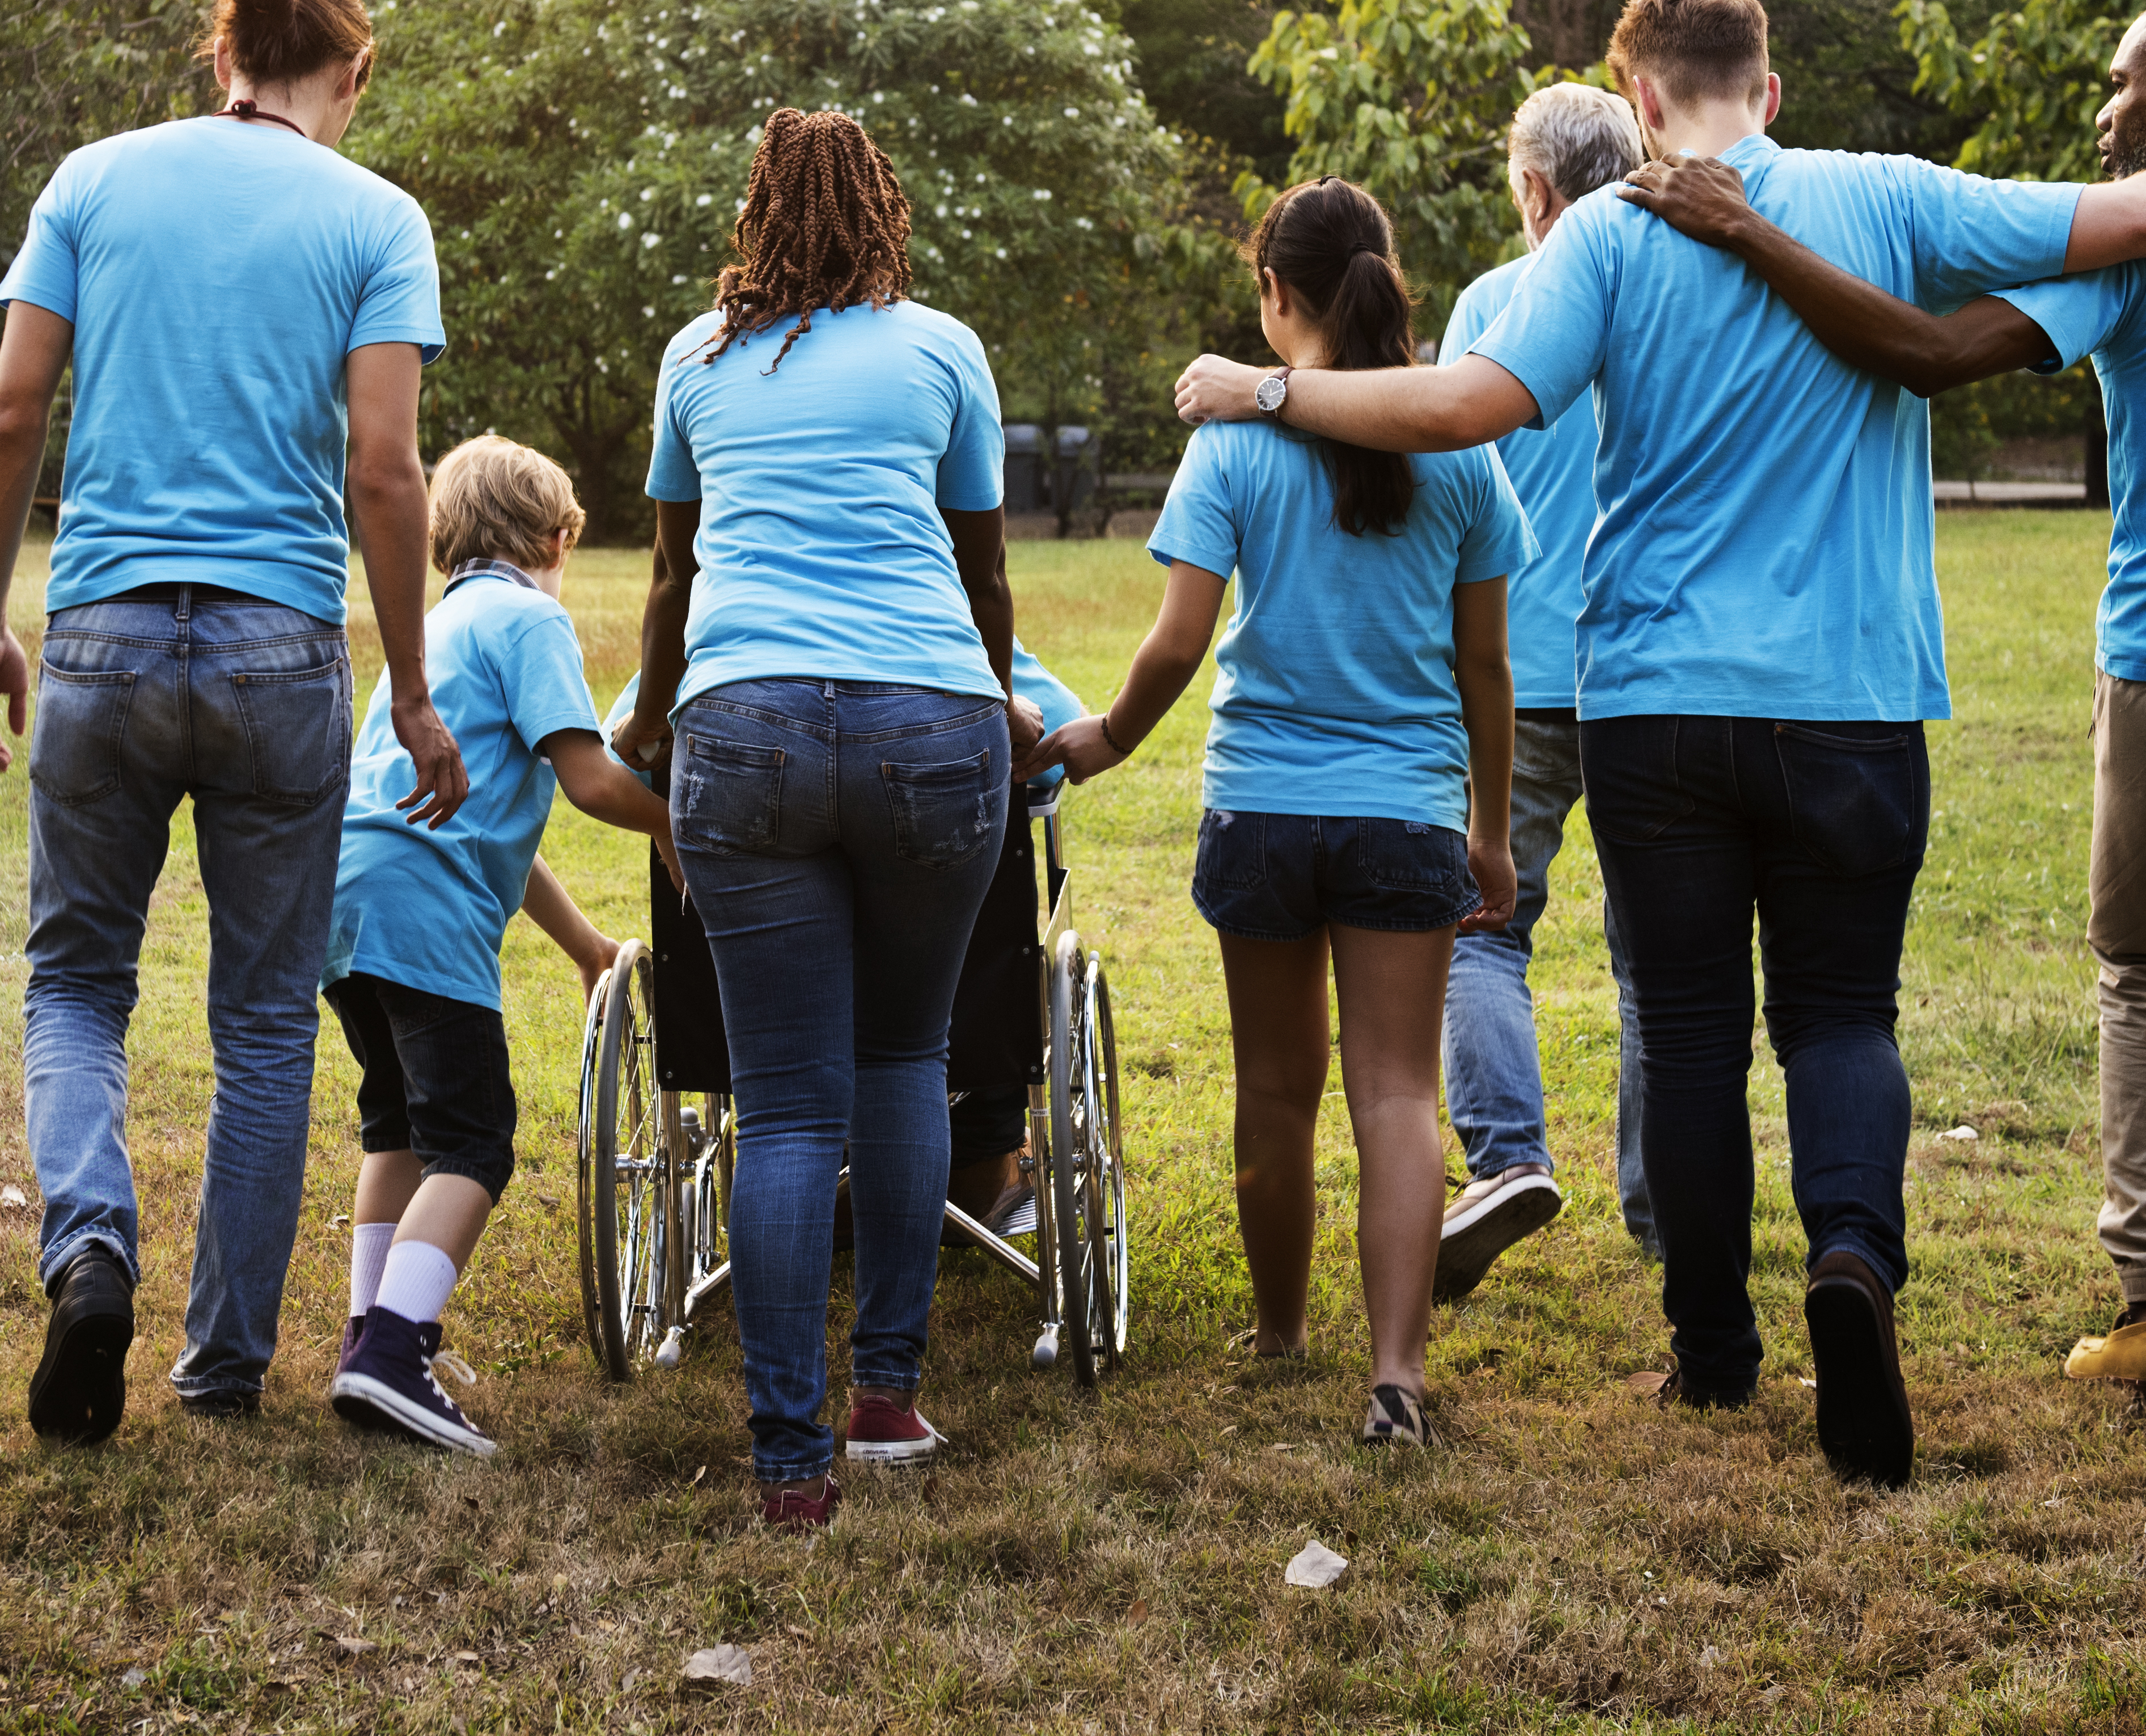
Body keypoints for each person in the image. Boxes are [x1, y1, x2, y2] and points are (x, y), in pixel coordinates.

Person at [1171, 0, 2146, 1488]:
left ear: (1643, 105)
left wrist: (1270, 389)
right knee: (1844, 1019)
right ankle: (1853, 1262)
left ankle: (1716, 1354)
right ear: (1770, 92)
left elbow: (1460, 408)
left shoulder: (1602, 234)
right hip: (1853, 699)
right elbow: (2137, 219)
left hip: (1660, 706)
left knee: (1689, 1033)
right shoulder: (1893, 196)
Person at [1616, 0, 2146, 1448]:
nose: (2106, 106)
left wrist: (1747, 230)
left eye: (2123, 81)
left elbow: (1930, 357)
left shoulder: (2144, 256)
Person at [0, 0, 466, 1446]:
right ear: (350, 77)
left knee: (74, 981)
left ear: (223, 55)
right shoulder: (377, 219)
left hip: (105, 639)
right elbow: (384, 468)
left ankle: (89, 1249)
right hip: (278, 649)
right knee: (261, 1022)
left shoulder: (94, 182)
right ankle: (222, 1368)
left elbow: (8, 414)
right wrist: (416, 692)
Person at [1047, 181, 1529, 1447]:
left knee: (1275, 1086)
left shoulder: (1230, 442)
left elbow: (1173, 644)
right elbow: (1486, 668)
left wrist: (1105, 738)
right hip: (1405, 816)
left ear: (1275, 296)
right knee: (1396, 1094)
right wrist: (1489, 830)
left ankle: (1275, 1330)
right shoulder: (1459, 450)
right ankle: (1394, 1378)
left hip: (1260, 805)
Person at [612, 107, 1039, 1532]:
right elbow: (981, 573)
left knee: (787, 1102)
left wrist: (650, 713)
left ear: (756, 213)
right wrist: (1006, 695)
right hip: (932, 719)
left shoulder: (695, 354)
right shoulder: (943, 347)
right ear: (883, 210)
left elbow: (672, 572)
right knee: (906, 1052)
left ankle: (789, 1459)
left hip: (744, 728)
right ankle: (885, 1391)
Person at [323, 435, 674, 1457]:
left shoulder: (434, 631)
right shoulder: (530, 620)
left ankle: (367, 1337)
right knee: (474, 1141)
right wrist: (673, 823)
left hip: (349, 905)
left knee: (396, 1129)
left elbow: (496, 838)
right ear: (557, 536)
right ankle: (397, 1347)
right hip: (426, 918)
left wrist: (584, 946)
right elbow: (589, 778)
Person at [1429, 80, 1657, 1300]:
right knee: (1654, 952)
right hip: (1641, 669)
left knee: (1481, 927)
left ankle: (1508, 1157)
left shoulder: (1491, 303)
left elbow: (1450, 490)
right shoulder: (1676, 290)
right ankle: (1663, 1210)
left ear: (1532, 189)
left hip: (1510, 672)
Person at [946, 645, 1095, 1246]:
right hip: (954, 1036)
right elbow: (1060, 735)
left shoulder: (720, 641)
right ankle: (979, 1162)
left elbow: (626, 760)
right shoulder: (943, 612)